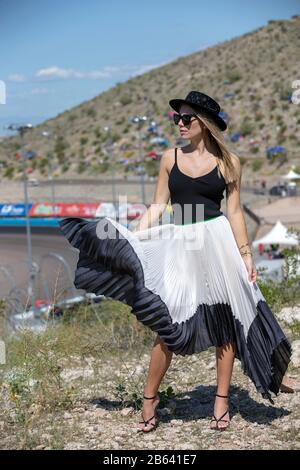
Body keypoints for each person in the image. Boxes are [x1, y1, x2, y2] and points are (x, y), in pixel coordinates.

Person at [59, 91, 293, 433]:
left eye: (187, 119)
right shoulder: (169, 158)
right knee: (168, 325)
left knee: (225, 323)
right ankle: (149, 399)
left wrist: (246, 253)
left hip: (218, 244)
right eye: (177, 119)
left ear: (205, 123)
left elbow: (234, 210)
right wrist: (135, 238)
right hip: (180, 246)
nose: (180, 124)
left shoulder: (229, 162)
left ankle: (221, 402)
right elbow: (157, 205)